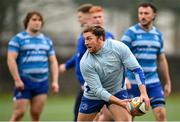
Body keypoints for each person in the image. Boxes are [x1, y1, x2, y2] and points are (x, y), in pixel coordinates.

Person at [77, 25, 150, 121]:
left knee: (125, 121)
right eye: (85, 39)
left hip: (116, 91)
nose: (86, 43)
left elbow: (137, 70)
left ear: (100, 38)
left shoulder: (119, 48)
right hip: (93, 95)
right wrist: (121, 102)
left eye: (89, 39)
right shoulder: (85, 62)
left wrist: (144, 93)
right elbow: (98, 91)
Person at [59, 5, 114, 121]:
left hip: (93, 84)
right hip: (85, 83)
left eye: (80, 16)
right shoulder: (84, 36)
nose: (78, 19)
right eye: (95, 17)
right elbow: (79, 56)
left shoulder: (106, 37)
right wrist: (67, 65)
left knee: (100, 116)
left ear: (87, 17)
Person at [121, 2, 172, 121]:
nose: (142, 16)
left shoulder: (158, 35)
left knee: (161, 113)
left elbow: (161, 59)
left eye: (146, 13)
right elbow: (120, 56)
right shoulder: (131, 33)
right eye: (140, 13)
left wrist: (167, 81)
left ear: (154, 15)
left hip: (153, 81)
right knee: (129, 117)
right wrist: (124, 78)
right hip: (133, 82)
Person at [7, 11, 59, 121]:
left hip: (42, 82)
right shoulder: (18, 39)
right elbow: (11, 59)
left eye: (39, 20)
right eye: (34, 19)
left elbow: (53, 61)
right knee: (19, 113)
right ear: (27, 21)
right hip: (24, 81)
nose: (37, 22)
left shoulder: (47, 41)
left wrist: (55, 81)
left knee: (36, 114)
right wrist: (17, 79)